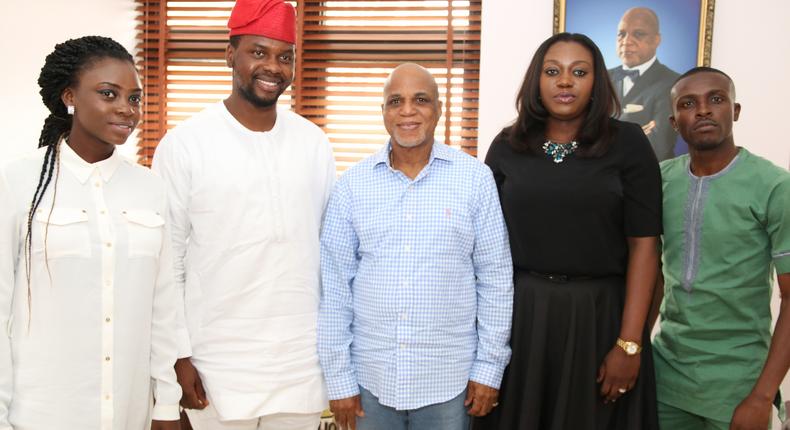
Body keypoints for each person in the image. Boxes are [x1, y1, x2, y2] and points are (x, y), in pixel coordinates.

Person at [151, 0, 335, 428]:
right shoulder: (185, 145)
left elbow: (329, 252)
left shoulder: (314, 144)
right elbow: (167, 263)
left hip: (299, 362)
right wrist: (177, 357)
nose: (272, 66)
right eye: (258, 52)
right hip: (216, 362)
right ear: (230, 53)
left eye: (284, 56)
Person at [473, 33, 662, 430]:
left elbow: (645, 247)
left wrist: (630, 343)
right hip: (522, 318)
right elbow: (483, 246)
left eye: (579, 72)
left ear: (596, 82)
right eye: (552, 71)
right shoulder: (508, 145)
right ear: (536, 82)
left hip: (599, 320)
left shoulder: (628, 144)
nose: (565, 82)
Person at [318, 63, 513, 430]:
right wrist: (339, 379)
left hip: (449, 384)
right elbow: (334, 289)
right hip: (370, 382)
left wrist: (489, 368)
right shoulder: (352, 187)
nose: (408, 111)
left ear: (438, 109)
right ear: (384, 112)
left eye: (420, 100)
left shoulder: (475, 179)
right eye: (396, 101)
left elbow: (496, 280)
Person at [0, 36, 181, 430]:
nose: (126, 109)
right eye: (108, 94)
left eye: (133, 98)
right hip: (41, 415)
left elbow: (164, 306)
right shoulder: (17, 183)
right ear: (70, 97)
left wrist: (166, 404)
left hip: (127, 415)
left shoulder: (150, 189)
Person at [650, 67, 790, 430]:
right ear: (673, 121)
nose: (703, 111)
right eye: (688, 103)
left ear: (736, 111)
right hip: (667, 378)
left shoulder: (774, 186)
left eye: (716, 99)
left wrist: (761, 396)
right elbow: (653, 276)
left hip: (739, 384)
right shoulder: (660, 180)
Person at [608, 7, 680, 161]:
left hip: (649, 179)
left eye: (638, 34)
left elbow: (657, 146)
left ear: (656, 40)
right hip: (600, 180)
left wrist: (604, 137)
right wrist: (638, 134)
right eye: (621, 34)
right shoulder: (601, 78)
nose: (626, 41)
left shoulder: (673, 83)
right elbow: (583, 135)